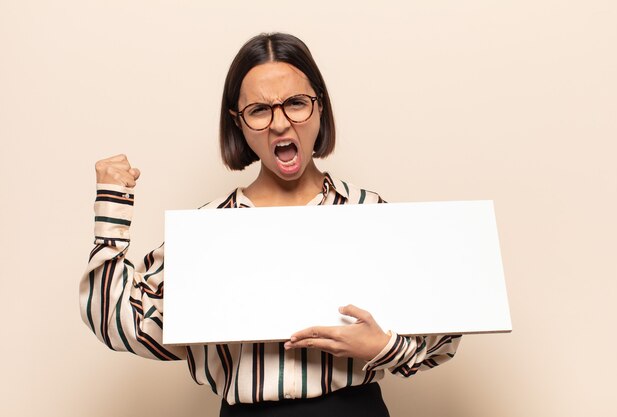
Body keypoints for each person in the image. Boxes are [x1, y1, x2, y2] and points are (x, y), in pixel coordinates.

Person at [80, 32, 461, 417]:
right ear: (239, 123)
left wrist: (383, 348)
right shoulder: (208, 230)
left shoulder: (369, 212)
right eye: (260, 110)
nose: (280, 124)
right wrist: (112, 202)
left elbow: (445, 335)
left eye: (296, 103)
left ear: (320, 108)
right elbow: (115, 319)